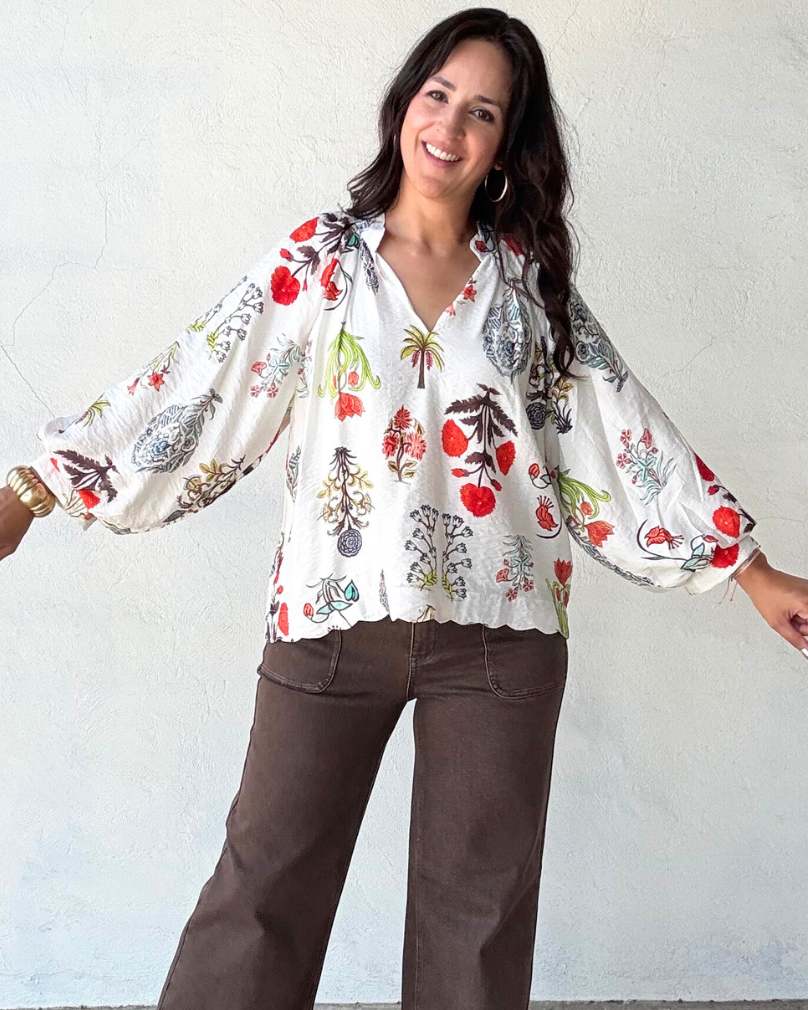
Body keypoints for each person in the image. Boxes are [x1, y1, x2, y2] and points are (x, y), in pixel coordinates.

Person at [3, 8, 808, 1009]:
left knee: (477, 926)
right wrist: (35, 490)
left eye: (483, 112)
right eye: (438, 94)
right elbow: (199, 385)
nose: (450, 125)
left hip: (501, 640)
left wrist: (749, 573)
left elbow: (620, 436)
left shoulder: (529, 289)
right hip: (331, 623)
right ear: (404, 104)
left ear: (505, 146)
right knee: (258, 901)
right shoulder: (320, 263)